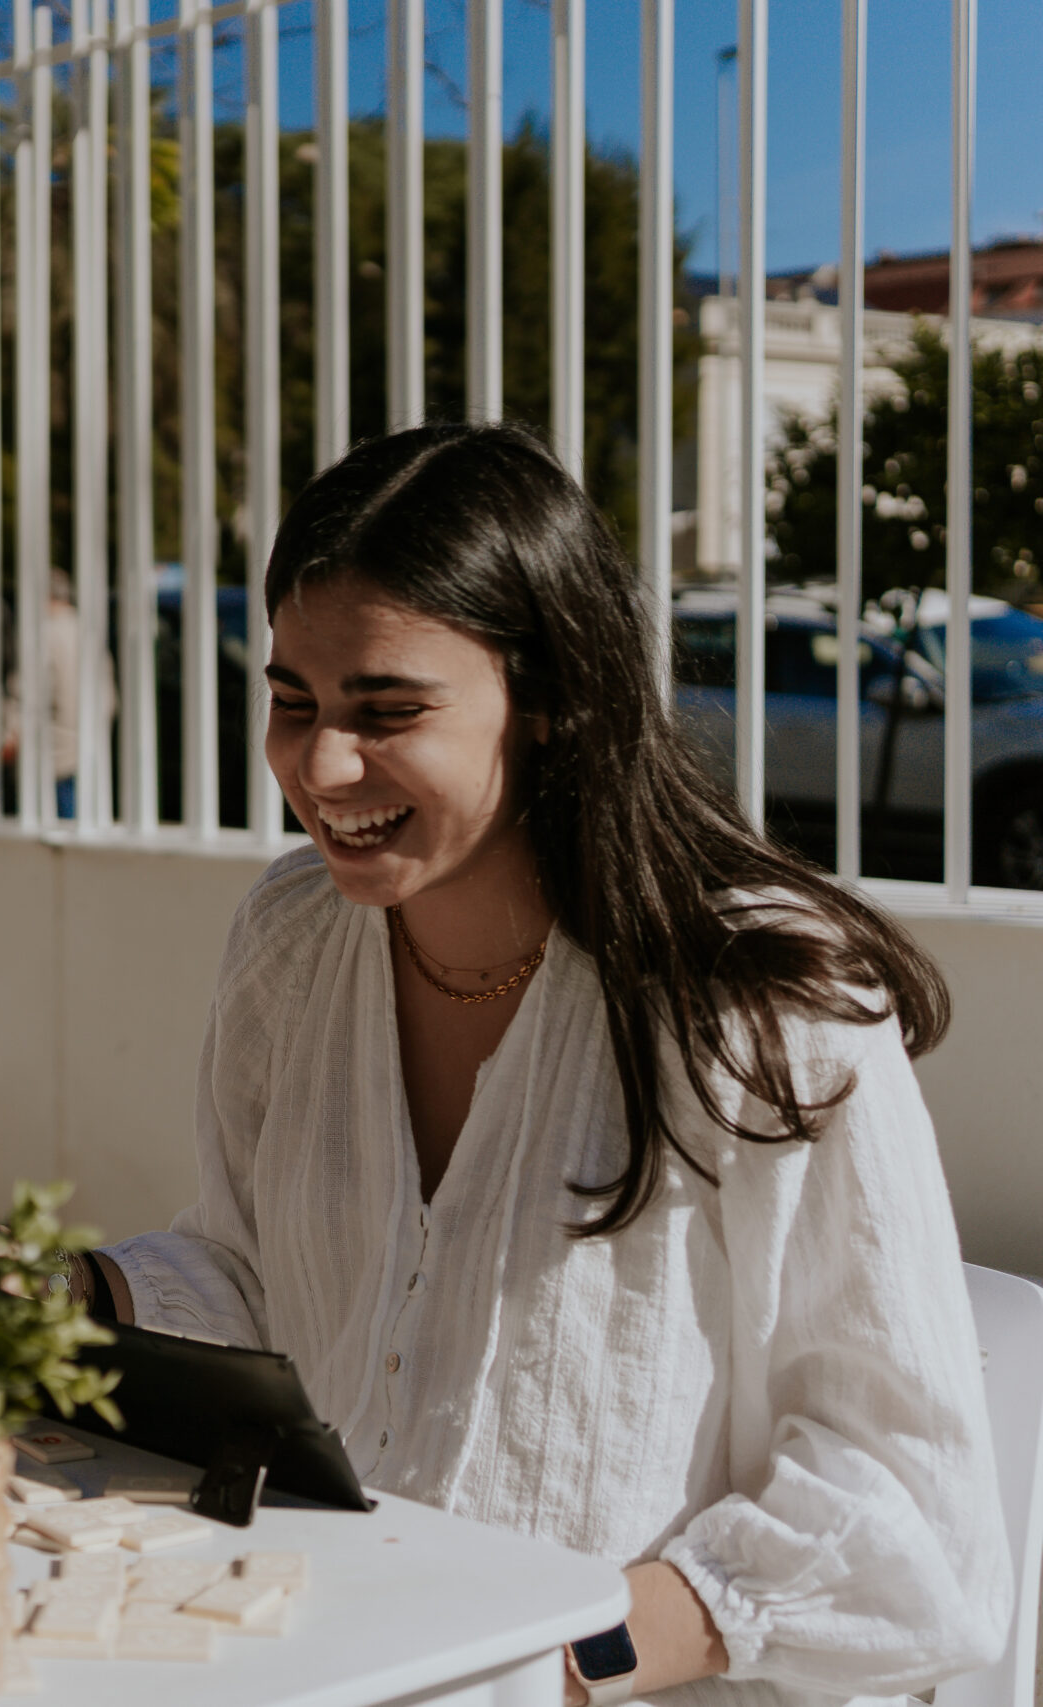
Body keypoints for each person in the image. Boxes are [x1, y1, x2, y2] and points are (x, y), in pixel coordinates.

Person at [71, 424, 1010, 1704]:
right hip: (331, 1663)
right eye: (292, 701)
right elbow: (258, 1279)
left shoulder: (764, 1001)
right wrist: (48, 1295)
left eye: (386, 709)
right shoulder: (292, 943)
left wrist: (548, 1657)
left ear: (555, 698)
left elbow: (910, 1517)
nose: (319, 764)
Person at [1, 567, 116, 821]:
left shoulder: (42, 636)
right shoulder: (88, 632)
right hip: (89, 745)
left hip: (53, 752)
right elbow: (108, 695)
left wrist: (10, 732)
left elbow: (25, 693)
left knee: (53, 829)